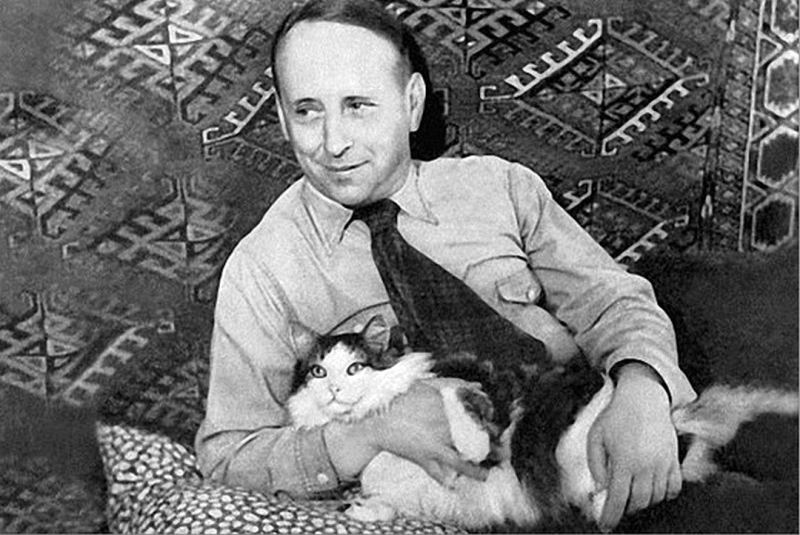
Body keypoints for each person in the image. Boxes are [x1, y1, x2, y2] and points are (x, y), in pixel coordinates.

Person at [195, 0, 698, 530]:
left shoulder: (499, 187)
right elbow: (227, 457)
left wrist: (643, 388)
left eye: (358, 106)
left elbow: (613, 301)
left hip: (580, 441)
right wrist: (365, 432)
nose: (334, 142)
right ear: (281, 117)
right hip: (439, 503)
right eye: (307, 111)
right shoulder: (262, 268)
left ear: (411, 104)